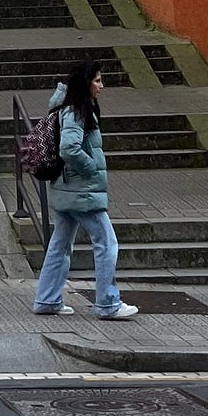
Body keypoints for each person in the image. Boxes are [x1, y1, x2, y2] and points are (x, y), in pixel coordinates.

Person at [31, 60, 139, 321]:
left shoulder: (67, 108)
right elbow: (69, 148)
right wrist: (90, 168)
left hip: (68, 190)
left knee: (60, 245)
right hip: (82, 191)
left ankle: (47, 299)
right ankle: (109, 303)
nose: (102, 85)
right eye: (98, 80)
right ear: (86, 83)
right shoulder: (77, 111)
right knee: (107, 243)